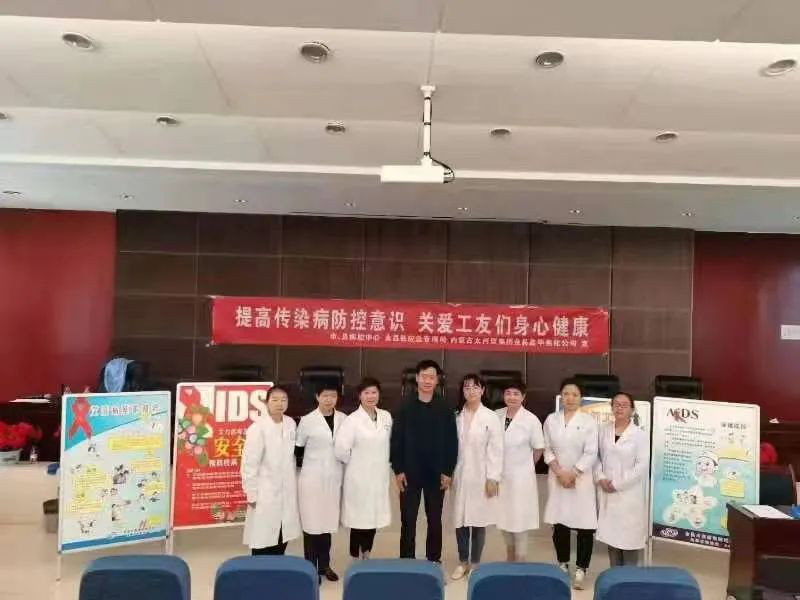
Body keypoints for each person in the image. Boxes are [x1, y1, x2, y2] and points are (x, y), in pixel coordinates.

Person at [390, 360, 458, 564]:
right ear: (417, 378)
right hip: (409, 472)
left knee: (434, 519)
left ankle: (434, 559)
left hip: (436, 473)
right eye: (424, 376)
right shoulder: (404, 406)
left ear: (437, 380)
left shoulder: (445, 407)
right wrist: (398, 470)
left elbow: (452, 442)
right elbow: (396, 440)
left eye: (432, 377)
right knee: (408, 518)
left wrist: (448, 471)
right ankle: (407, 560)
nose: (428, 381)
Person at [543, 378, 598, 590]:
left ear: (581, 398)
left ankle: (582, 568)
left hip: (580, 479)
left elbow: (591, 452)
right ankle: (563, 564)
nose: (570, 398)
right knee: (560, 522)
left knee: (584, 525)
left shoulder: (589, 421)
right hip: (557, 477)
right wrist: (559, 472)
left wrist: (573, 473)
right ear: (561, 396)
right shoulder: (551, 419)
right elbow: (547, 448)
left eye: (575, 394)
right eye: (566, 394)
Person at [450, 374, 503, 580]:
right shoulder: (456, 415)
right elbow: (448, 447)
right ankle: (462, 561)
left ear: (482, 391)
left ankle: (475, 563)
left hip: (482, 476)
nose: (471, 391)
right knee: (460, 521)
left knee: (478, 522)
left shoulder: (490, 417)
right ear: (462, 391)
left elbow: (496, 450)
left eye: (475, 387)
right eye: (467, 388)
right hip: (460, 475)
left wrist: (493, 478)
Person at [334, 377, 393, 560]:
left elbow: (390, 443)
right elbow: (341, 450)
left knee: (373, 519)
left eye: (374, 392)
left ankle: (367, 553)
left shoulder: (386, 416)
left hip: (379, 476)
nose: (370, 396)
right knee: (358, 520)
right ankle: (355, 556)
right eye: (366, 393)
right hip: (358, 478)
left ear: (379, 394)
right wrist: (357, 463)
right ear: (359, 396)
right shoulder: (352, 420)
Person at [295, 381, 346, 582]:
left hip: (333, 478)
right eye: (325, 396)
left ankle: (325, 565)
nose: (329, 400)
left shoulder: (343, 419)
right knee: (311, 525)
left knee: (326, 525)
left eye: (333, 396)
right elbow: (298, 450)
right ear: (317, 397)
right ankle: (310, 568)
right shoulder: (307, 420)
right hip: (312, 479)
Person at [241, 385, 300, 555]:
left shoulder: (290, 423)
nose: (280, 404)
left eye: (283, 400)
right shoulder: (258, 428)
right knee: (262, 538)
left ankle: (278, 567)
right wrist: (251, 493)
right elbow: (249, 464)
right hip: (265, 492)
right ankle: (260, 569)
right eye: (275, 400)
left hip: (286, 490)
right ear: (267, 403)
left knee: (282, 535)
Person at [595, 392, 649, 566]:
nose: (620, 408)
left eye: (624, 405)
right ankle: (614, 577)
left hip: (629, 494)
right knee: (612, 539)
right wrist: (601, 477)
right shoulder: (603, 430)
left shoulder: (639, 435)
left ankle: (629, 578)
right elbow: (595, 457)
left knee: (629, 541)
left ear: (632, 410)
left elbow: (641, 466)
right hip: (607, 490)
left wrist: (617, 484)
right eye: (616, 404)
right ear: (611, 407)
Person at [495, 380, 545, 562]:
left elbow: (538, 448)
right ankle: (509, 556)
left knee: (520, 519)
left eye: (516, 394)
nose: (512, 397)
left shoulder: (531, 419)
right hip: (499, 476)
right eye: (508, 393)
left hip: (521, 478)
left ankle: (521, 559)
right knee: (503, 518)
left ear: (523, 397)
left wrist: (525, 466)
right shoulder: (496, 415)